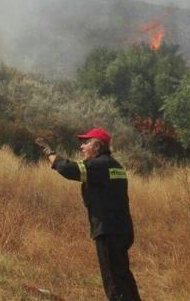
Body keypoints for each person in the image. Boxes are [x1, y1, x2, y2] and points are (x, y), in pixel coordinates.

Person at [36, 127, 141, 301]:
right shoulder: (116, 166)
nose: (82, 147)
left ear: (97, 146)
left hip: (108, 230)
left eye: (86, 143)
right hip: (122, 229)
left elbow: (69, 169)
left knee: (113, 280)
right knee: (123, 276)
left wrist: (49, 153)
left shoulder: (99, 165)